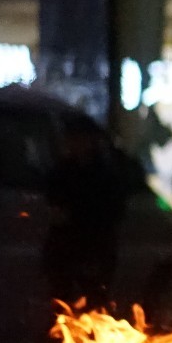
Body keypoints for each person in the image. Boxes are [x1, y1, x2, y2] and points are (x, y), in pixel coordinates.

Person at [43, 117, 129, 316]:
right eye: (71, 139)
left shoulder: (105, 173)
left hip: (95, 247)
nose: (75, 144)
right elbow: (54, 209)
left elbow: (113, 211)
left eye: (80, 139)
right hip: (64, 248)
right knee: (62, 304)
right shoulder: (61, 172)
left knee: (94, 305)